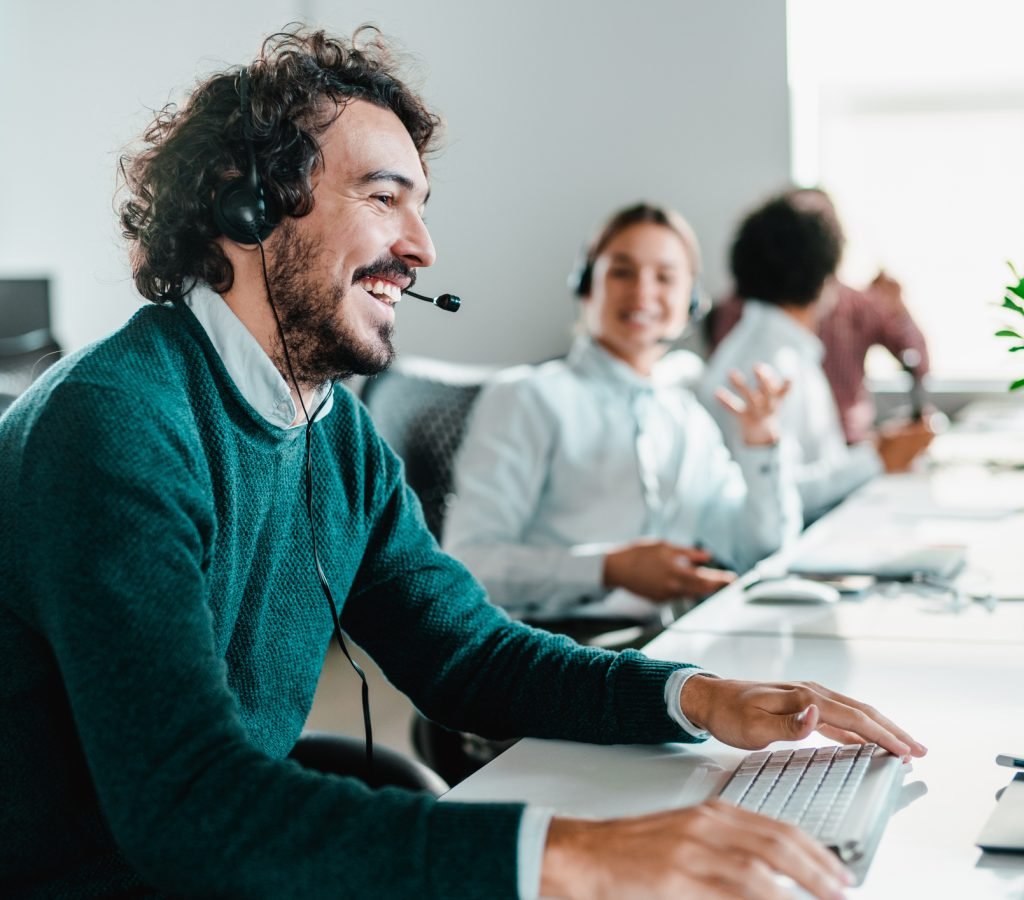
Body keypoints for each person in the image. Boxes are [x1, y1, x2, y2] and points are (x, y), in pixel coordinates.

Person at [0, 27, 926, 900]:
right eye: (383, 196)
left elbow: (467, 654)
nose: (422, 247)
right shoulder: (114, 423)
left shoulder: (332, 431)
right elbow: (185, 802)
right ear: (248, 208)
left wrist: (694, 696)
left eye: (421, 205)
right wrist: (567, 856)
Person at [444, 203, 802, 629]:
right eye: (622, 272)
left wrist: (761, 446)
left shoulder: (686, 418)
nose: (643, 293)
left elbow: (756, 549)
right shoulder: (528, 398)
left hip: (665, 643)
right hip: (549, 648)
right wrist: (608, 568)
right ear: (585, 286)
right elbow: (470, 564)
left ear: (691, 301)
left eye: (665, 277)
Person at [698, 192, 933, 524]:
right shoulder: (772, 365)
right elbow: (782, 493)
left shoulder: (769, 344)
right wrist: (877, 459)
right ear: (826, 273)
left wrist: (878, 448)